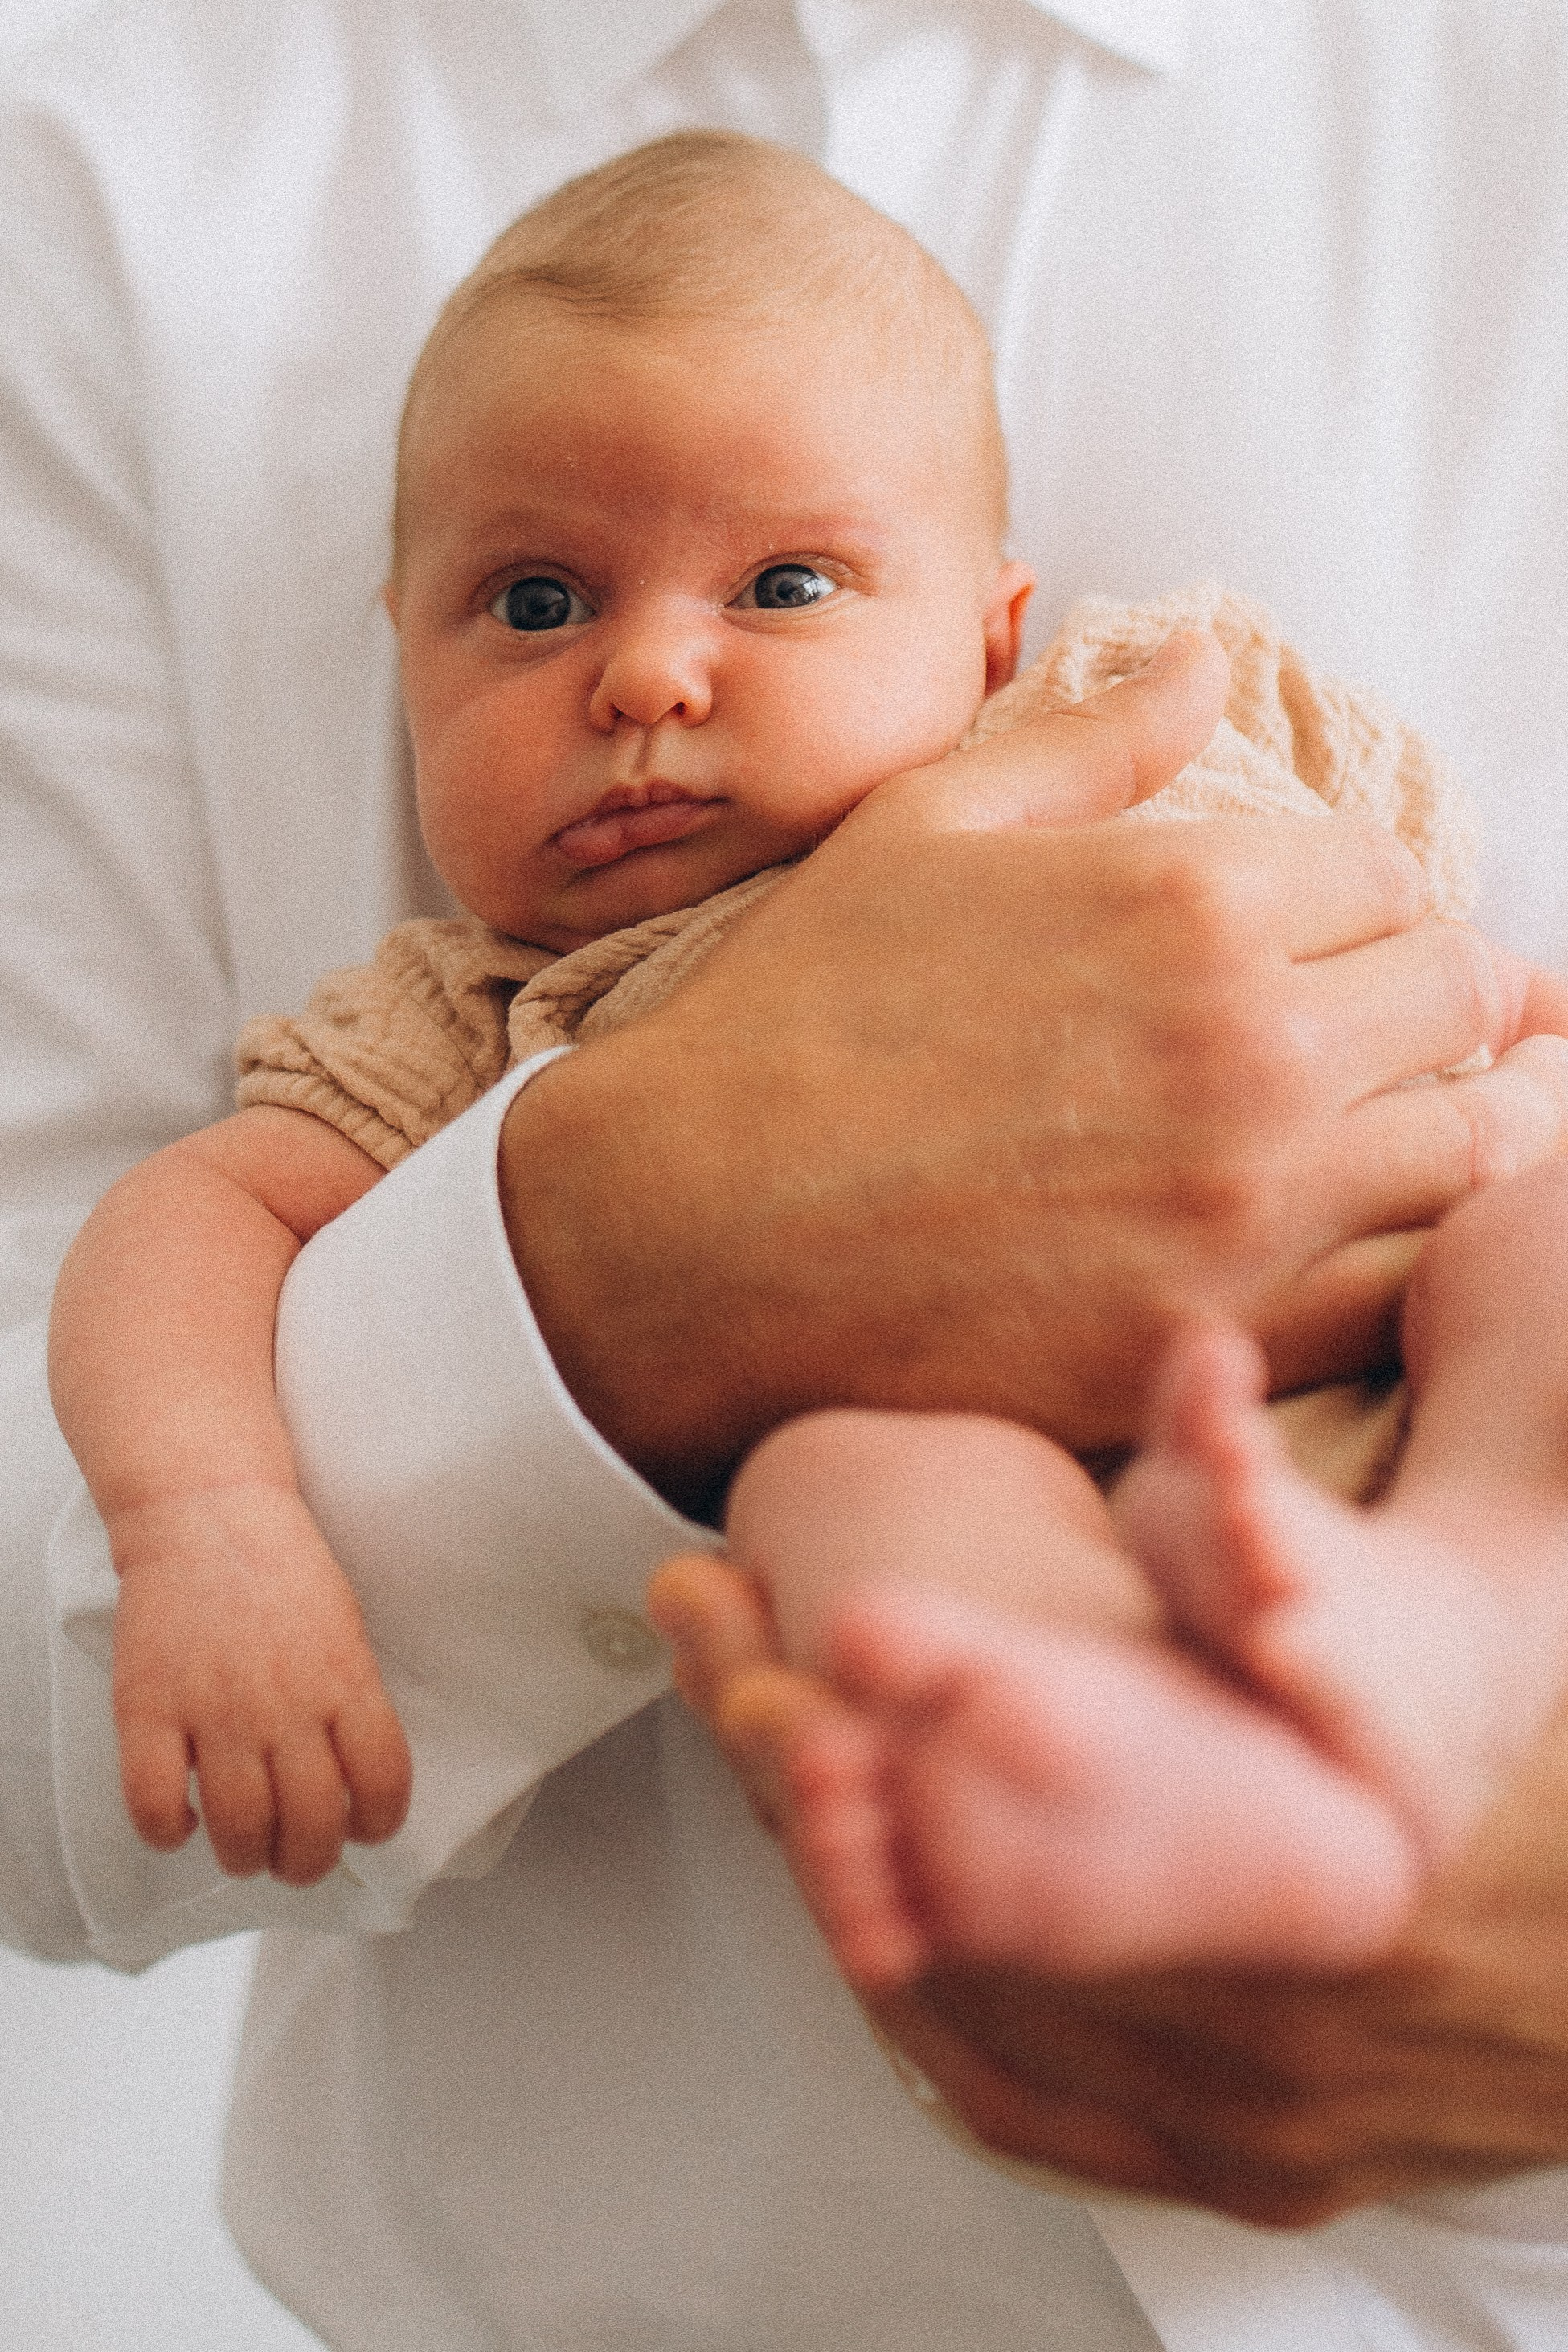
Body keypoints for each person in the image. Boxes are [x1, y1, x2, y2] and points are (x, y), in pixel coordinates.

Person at [9, 7, 1568, 2350]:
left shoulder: (1150, 757)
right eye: (536, 606)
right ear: (402, 658)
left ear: (999, 637)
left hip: (1432, 1445)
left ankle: (1461, 1600)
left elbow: (1466, 977)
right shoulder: (492, 1015)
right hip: (947, 1748)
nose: (649, 676)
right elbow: (185, 1222)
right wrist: (216, 1521)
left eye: (789, 590)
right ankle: (1110, 1764)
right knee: (851, 1487)